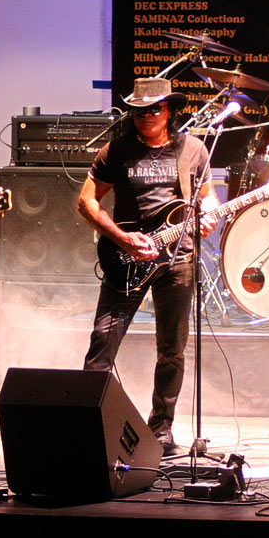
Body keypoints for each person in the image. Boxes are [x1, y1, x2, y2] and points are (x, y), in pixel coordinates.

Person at [77, 78, 220, 456]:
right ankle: (92, 421)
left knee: (171, 349)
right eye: (138, 110)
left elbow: (207, 198)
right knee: (102, 341)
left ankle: (161, 427)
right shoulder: (116, 150)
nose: (145, 116)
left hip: (178, 259)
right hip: (126, 259)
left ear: (169, 110)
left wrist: (207, 217)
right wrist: (120, 238)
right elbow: (86, 202)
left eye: (154, 109)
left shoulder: (192, 149)